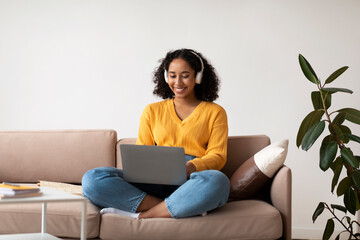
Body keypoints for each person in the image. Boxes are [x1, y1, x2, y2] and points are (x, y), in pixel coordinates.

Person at [82, 48, 230, 219]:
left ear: (198, 77)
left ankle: (145, 215)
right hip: (154, 178)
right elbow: (143, 151)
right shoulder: (152, 111)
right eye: (172, 75)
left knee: (218, 181)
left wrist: (191, 166)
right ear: (166, 77)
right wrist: (152, 170)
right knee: (93, 178)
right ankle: (180, 206)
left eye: (185, 75)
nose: (178, 82)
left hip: (192, 179)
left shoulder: (216, 112)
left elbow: (218, 156)